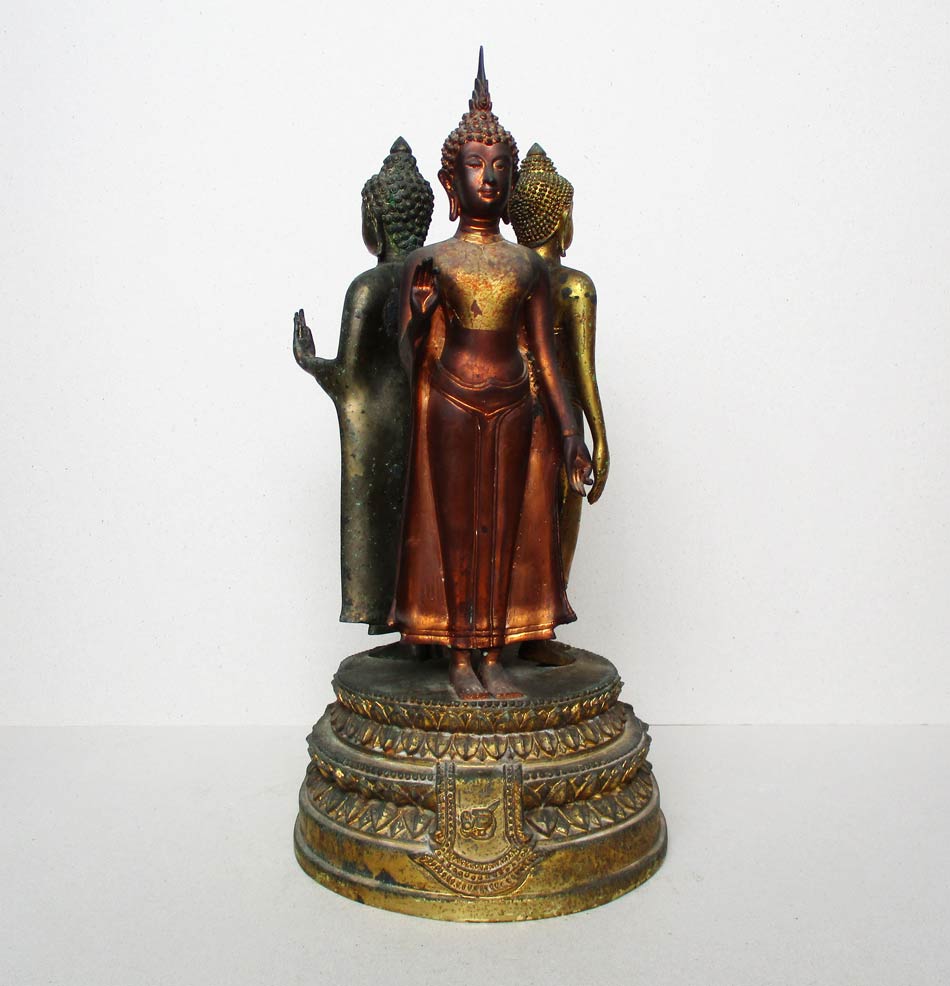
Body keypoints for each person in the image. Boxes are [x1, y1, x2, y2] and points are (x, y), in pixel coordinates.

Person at [389, 51, 595, 700]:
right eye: (476, 164)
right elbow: (405, 363)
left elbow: (545, 359)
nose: (489, 176)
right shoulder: (432, 261)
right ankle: (459, 655)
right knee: (456, 531)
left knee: (502, 531)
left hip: (515, 403)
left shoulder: (527, 268)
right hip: (452, 399)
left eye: (500, 166)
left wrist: (570, 435)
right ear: (451, 180)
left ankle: (495, 651)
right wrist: (418, 318)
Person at [294, 139, 433, 632]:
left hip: (376, 434)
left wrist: (310, 362)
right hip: (431, 423)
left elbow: (349, 379)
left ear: (374, 222)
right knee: (423, 529)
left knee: (382, 523)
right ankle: (423, 624)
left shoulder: (368, 287)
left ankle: (393, 616)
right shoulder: (432, 279)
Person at [509, 142, 610, 587]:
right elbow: (584, 375)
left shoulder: (505, 280)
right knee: (556, 541)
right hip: (561, 419)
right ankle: (546, 612)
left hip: (509, 414)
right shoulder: (574, 287)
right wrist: (601, 438)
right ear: (560, 219)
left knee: (513, 537)